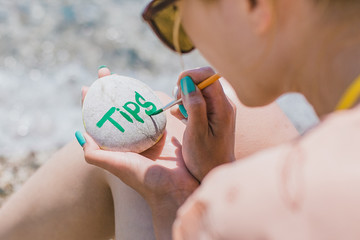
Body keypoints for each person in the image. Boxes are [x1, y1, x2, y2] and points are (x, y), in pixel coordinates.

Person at [2, 0, 358, 239]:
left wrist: (176, 205)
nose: (182, 44)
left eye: (173, 16)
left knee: (153, 156)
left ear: (253, 5)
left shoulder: (254, 206)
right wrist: (217, 170)